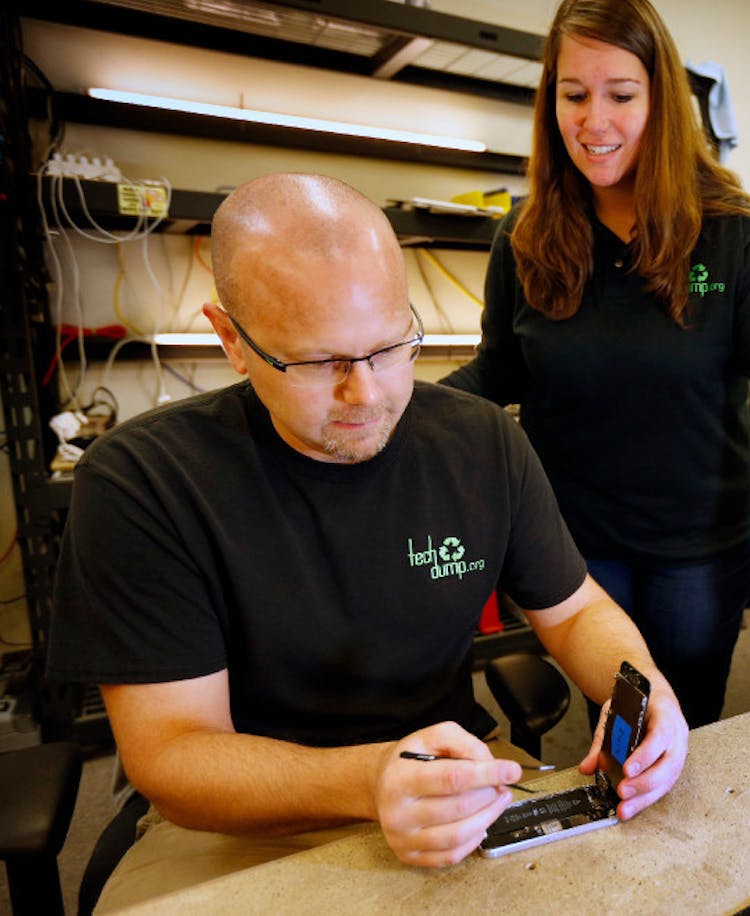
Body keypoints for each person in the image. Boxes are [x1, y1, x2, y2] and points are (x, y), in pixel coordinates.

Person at [45, 172, 689, 910]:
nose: (369, 393)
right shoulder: (143, 480)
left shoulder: (481, 440)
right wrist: (370, 779)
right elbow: (173, 753)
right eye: (321, 363)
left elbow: (575, 611)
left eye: (390, 347)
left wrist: (643, 688)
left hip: (456, 777)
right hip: (239, 818)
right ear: (231, 339)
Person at [441, 0, 750, 728]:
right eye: (573, 95)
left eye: (621, 95)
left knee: (688, 721)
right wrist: (402, 412)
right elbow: (501, 372)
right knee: (617, 717)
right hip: (573, 544)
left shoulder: (731, 236)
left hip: (697, 552)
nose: (593, 120)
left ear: (660, 100)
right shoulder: (527, 235)